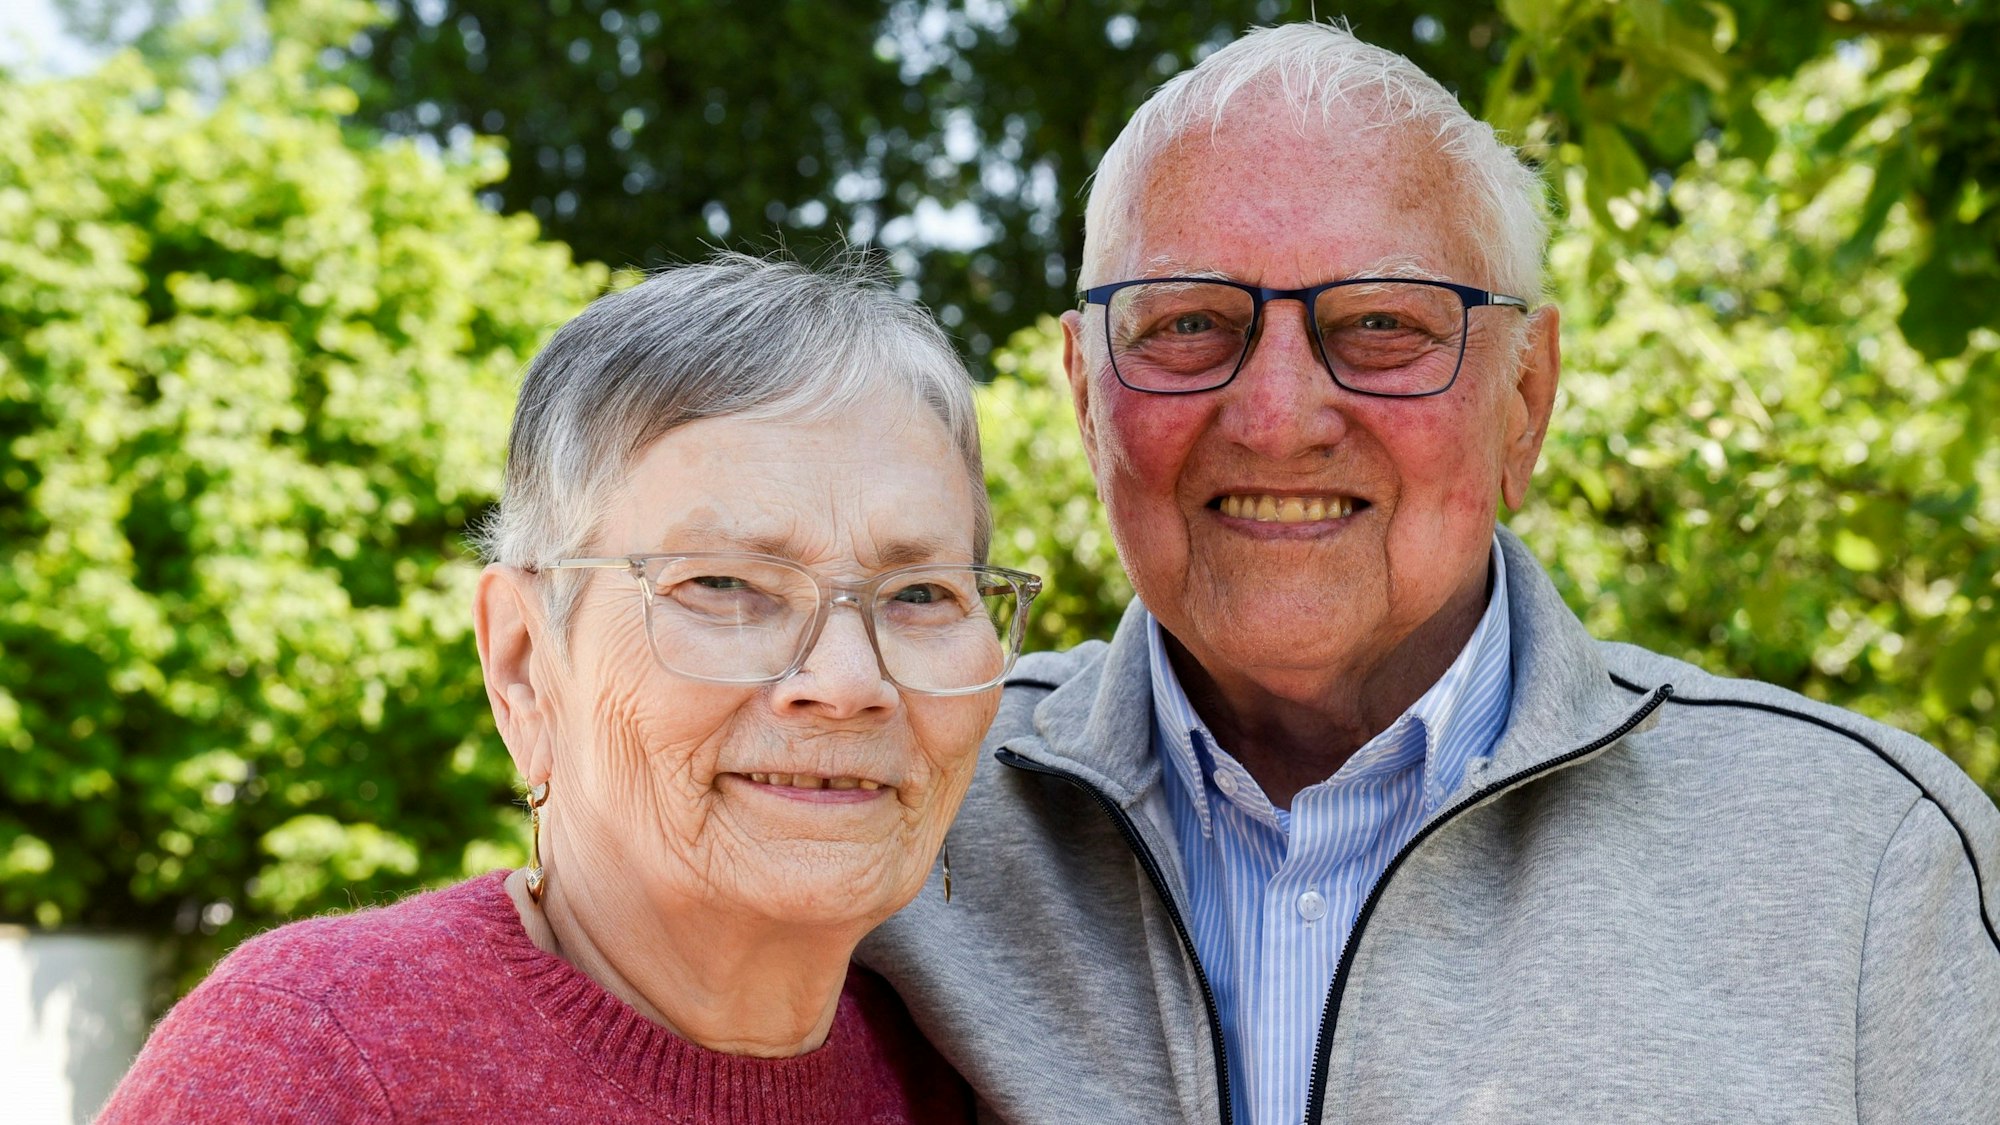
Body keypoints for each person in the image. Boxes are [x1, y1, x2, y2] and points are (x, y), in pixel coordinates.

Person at [857, 22, 2000, 1124]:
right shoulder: (883, 802)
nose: (1275, 418)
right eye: (1189, 324)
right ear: (1083, 393)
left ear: (1523, 400)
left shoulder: (1867, 865)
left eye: (1381, 325)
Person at [100, 254, 1041, 1123]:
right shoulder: (312, 1060)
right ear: (522, 662)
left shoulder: (976, 1075)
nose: (846, 682)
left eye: (922, 593)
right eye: (721, 584)